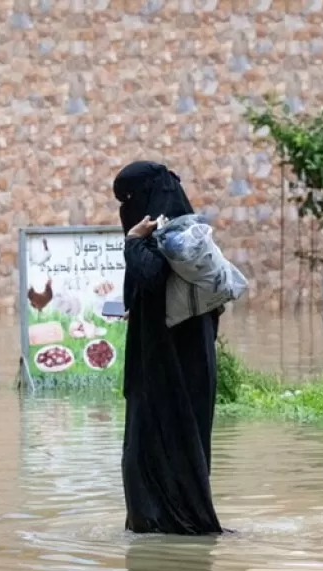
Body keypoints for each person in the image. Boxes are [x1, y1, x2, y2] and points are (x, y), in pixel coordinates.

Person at [114, 161, 224, 535]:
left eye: (127, 198)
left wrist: (131, 241)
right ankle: (162, 524)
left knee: (157, 445)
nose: (124, 207)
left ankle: (170, 525)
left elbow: (151, 275)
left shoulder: (176, 234)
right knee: (158, 445)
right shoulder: (181, 232)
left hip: (172, 367)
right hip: (177, 359)